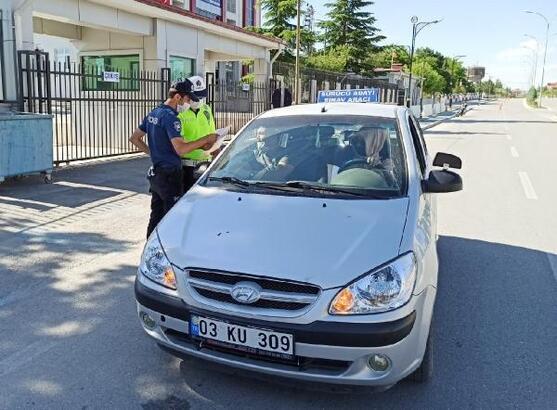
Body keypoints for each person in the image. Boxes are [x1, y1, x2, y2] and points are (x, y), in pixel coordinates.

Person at [129, 79, 217, 238]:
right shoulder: (171, 117)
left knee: (156, 216)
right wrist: (206, 139)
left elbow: (135, 138)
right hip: (170, 175)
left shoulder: (154, 113)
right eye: (187, 99)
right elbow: (181, 149)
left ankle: (150, 248)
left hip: (157, 174)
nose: (189, 102)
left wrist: (154, 154)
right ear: (178, 97)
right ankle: (169, 253)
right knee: (173, 217)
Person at [178, 75, 217, 192]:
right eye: (196, 97)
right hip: (188, 166)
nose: (199, 100)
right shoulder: (180, 113)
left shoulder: (206, 109)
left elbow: (211, 133)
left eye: (202, 96)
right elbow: (180, 143)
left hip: (207, 164)